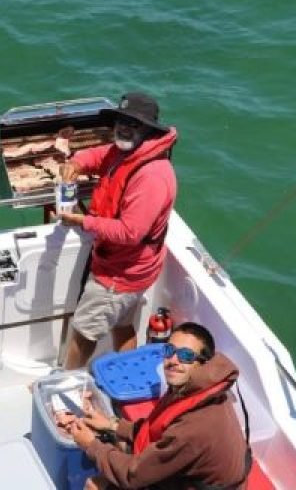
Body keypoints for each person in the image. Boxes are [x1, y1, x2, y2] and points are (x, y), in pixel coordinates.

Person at [57, 92, 177, 370]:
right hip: (130, 267)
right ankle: (129, 370)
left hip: (120, 275)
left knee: (84, 333)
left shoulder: (152, 176)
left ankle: (65, 381)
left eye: (133, 124)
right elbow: (100, 155)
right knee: (123, 324)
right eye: (121, 120)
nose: (124, 127)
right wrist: (76, 163)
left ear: (148, 129)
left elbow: (130, 232)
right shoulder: (127, 152)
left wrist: (82, 221)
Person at [70, 323, 250, 490]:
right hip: (189, 474)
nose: (173, 360)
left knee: (95, 485)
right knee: (117, 444)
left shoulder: (194, 428)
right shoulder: (201, 389)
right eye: (169, 350)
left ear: (203, 363)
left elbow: (132, 475)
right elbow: (156, 428)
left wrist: (91, 445)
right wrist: (113, 424)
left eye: (186, 355)